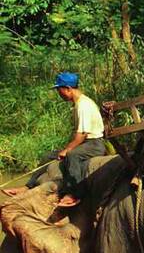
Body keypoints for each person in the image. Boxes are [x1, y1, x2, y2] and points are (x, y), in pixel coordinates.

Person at [2, 72, 107, 207]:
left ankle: (75, 194)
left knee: (72, 155)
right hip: (85, 142)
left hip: (94, 144)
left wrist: (67, 149)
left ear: (68, 89)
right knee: (48, 156)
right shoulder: (77, 104)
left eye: (59, 89)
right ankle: (29, 186)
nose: (59, 93)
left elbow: (83, 134)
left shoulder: (84, 105)